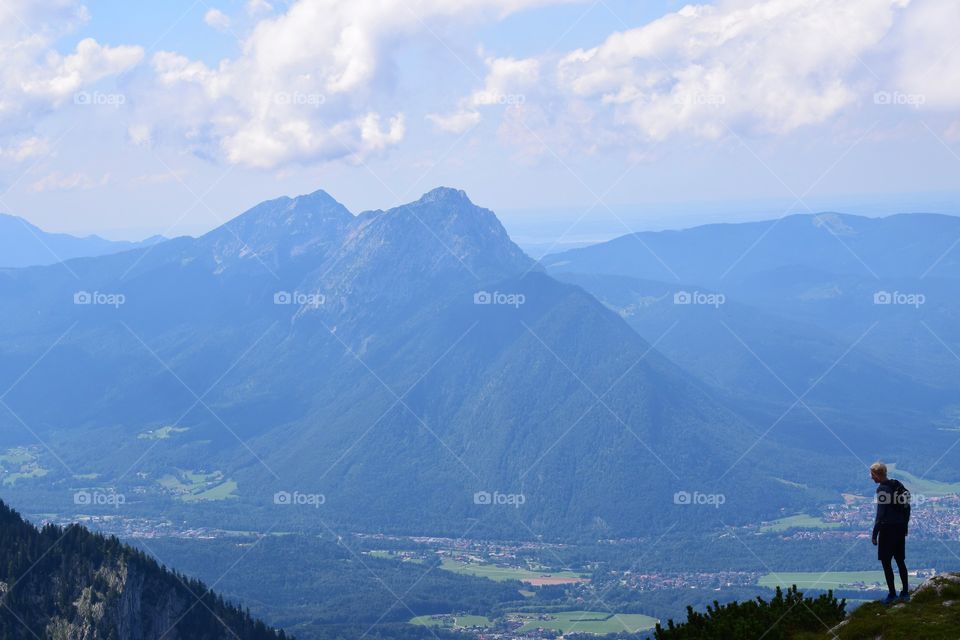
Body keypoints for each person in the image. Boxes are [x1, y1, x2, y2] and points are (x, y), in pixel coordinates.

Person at [870, 461, 911, 604]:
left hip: (887, 530)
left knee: (886, 563)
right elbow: (907, 507)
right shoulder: (896, 484)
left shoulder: (882, 489)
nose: (871, 478)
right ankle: (905, 593)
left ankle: (892, 594)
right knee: (900, 561)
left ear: (877, 475)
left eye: (872, 475)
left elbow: (881, 514)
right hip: (899, 528)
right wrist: (905, 526)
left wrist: (875, 534)